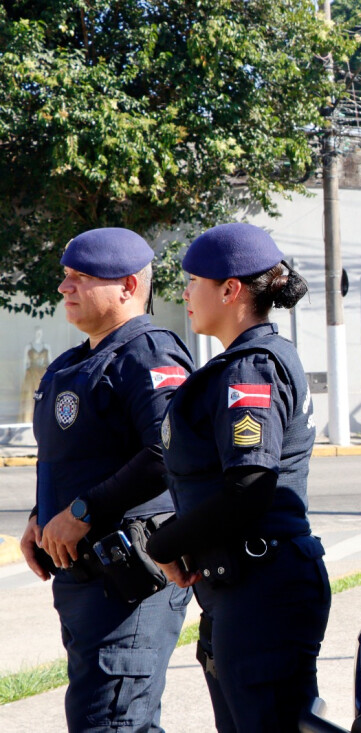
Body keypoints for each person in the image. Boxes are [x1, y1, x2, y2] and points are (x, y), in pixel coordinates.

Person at [145, 222, 330, 732]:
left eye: (193, 281)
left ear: (230, 290)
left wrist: (164, 543)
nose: (184, 292)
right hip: (248, 585)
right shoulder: (252, 359)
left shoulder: (250, 369)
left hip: (263, 589)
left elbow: (250, 486)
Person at [18, 227, 194, 732]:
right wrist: (40, 518)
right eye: (65, 276)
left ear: (128, 286)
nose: (64, 287)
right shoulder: (72, 364)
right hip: (80, 580)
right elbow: (72, 459)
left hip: (128, 582)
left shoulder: (148, 353)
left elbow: (166, 452)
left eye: (82, 277)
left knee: (112, 722)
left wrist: (82, 513)